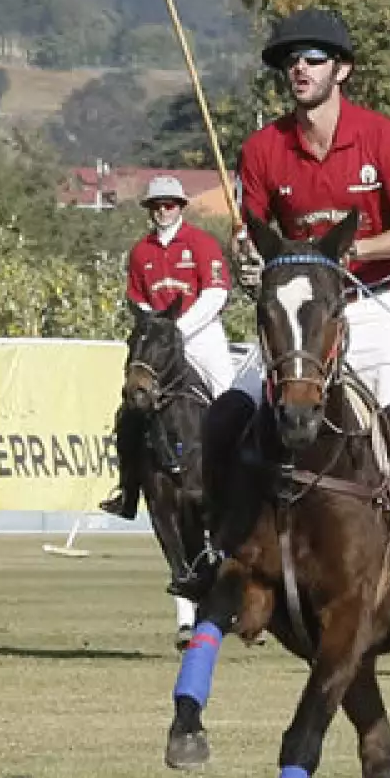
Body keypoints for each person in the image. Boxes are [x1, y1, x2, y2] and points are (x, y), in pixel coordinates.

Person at [189, 7, 390, 620]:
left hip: (371, 306)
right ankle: (215, 548)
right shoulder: (264, 149)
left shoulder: (383, 139)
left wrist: (348, 252)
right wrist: (247, 252)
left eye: (312, 58)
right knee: (225, 418)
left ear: (342, 69)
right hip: (298, 320)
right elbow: (254, 233)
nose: (299, 69)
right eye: (291, 61)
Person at [100, 174, 233, 521]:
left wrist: (179, 330)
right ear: (149, 209)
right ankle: (127, 491)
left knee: (230, 402)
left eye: (169, 204)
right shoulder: (140, 252)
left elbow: (216, 292)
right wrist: (156, 332)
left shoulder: (201, 243)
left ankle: (240, 484)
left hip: (201, 335)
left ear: (180, 207)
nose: (163, 211)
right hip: (157, 344)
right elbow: (138, 300)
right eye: (156, 205)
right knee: (129, 409)